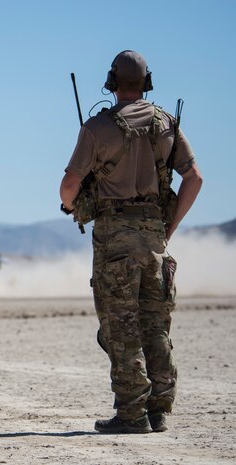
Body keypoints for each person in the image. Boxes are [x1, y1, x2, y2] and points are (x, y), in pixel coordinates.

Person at [60, 50, 202, 434]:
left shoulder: (97, 129)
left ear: (111, 81)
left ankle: (131, 415)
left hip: (114, 239)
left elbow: (69, 186)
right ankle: (158, 411)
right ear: (147, 81)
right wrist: (167, 227)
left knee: (121, 328)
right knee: (155, 324)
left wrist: (71, 205)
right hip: (154, 236)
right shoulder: (167, 125)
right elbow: (194, 179)